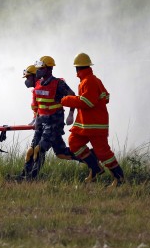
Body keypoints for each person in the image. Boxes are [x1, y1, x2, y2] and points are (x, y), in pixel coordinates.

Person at [61, 53, 125, 186]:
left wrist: (66, 100)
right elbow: (106, 97)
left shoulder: (89, 81)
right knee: (74, 142)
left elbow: (87, 102)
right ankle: (95, 169)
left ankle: (119, 178)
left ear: (77, 68)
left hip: (95, 125)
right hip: (86, 124)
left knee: (103, 152)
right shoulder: (92, 80)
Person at [22, 56, 77, 180]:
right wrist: (35, 118)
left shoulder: (58, 83)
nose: (38, 71)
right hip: (42, 122)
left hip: (54, 122)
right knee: (55, 152)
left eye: (41, 68)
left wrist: (70, 114)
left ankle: (32, 178)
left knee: (39, 149)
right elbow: (37, 104)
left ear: (49, 69)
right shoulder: (38, 84)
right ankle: (24, 174)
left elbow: (73, 96)